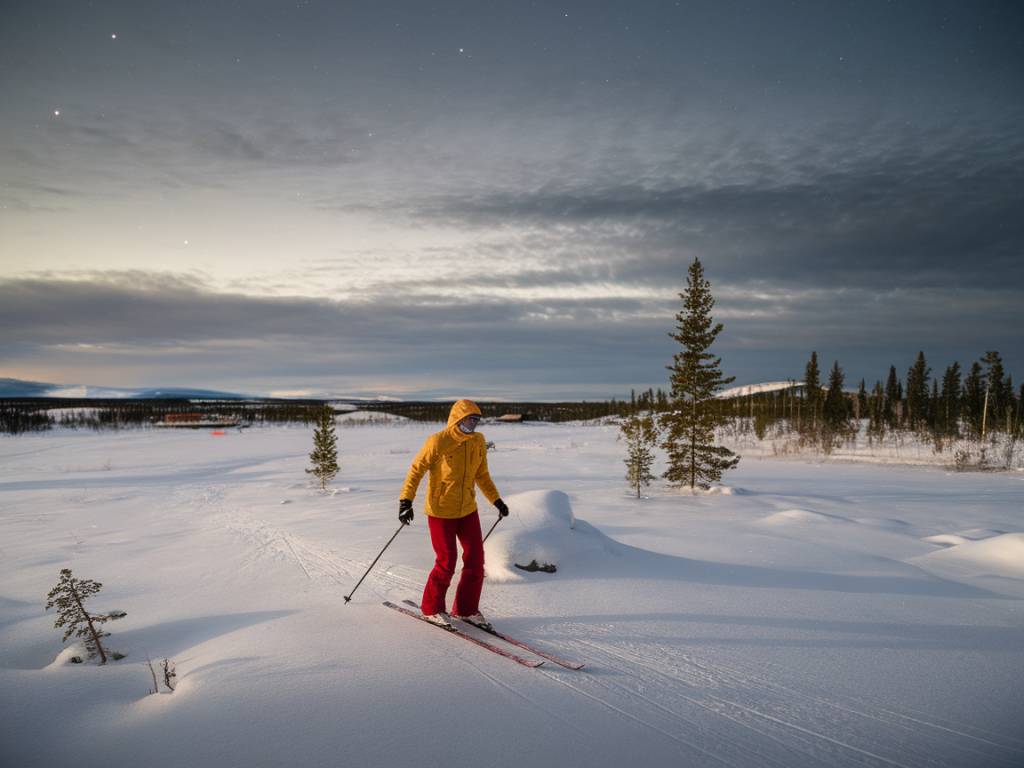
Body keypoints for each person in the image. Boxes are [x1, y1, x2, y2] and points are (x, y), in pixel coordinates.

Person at [399, 399, 509, 628]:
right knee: (447, 561)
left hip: (468, 509)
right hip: (440, 510)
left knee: (476, 560)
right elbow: (416, 471)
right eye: (471, 419)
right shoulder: (438, 441)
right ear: (458, 419)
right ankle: (432, 608)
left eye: (478, 420)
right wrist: (405, 501)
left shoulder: (478, 441)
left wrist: (496, 500)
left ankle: (466, 609)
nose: (475, 424)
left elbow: (482, 475)